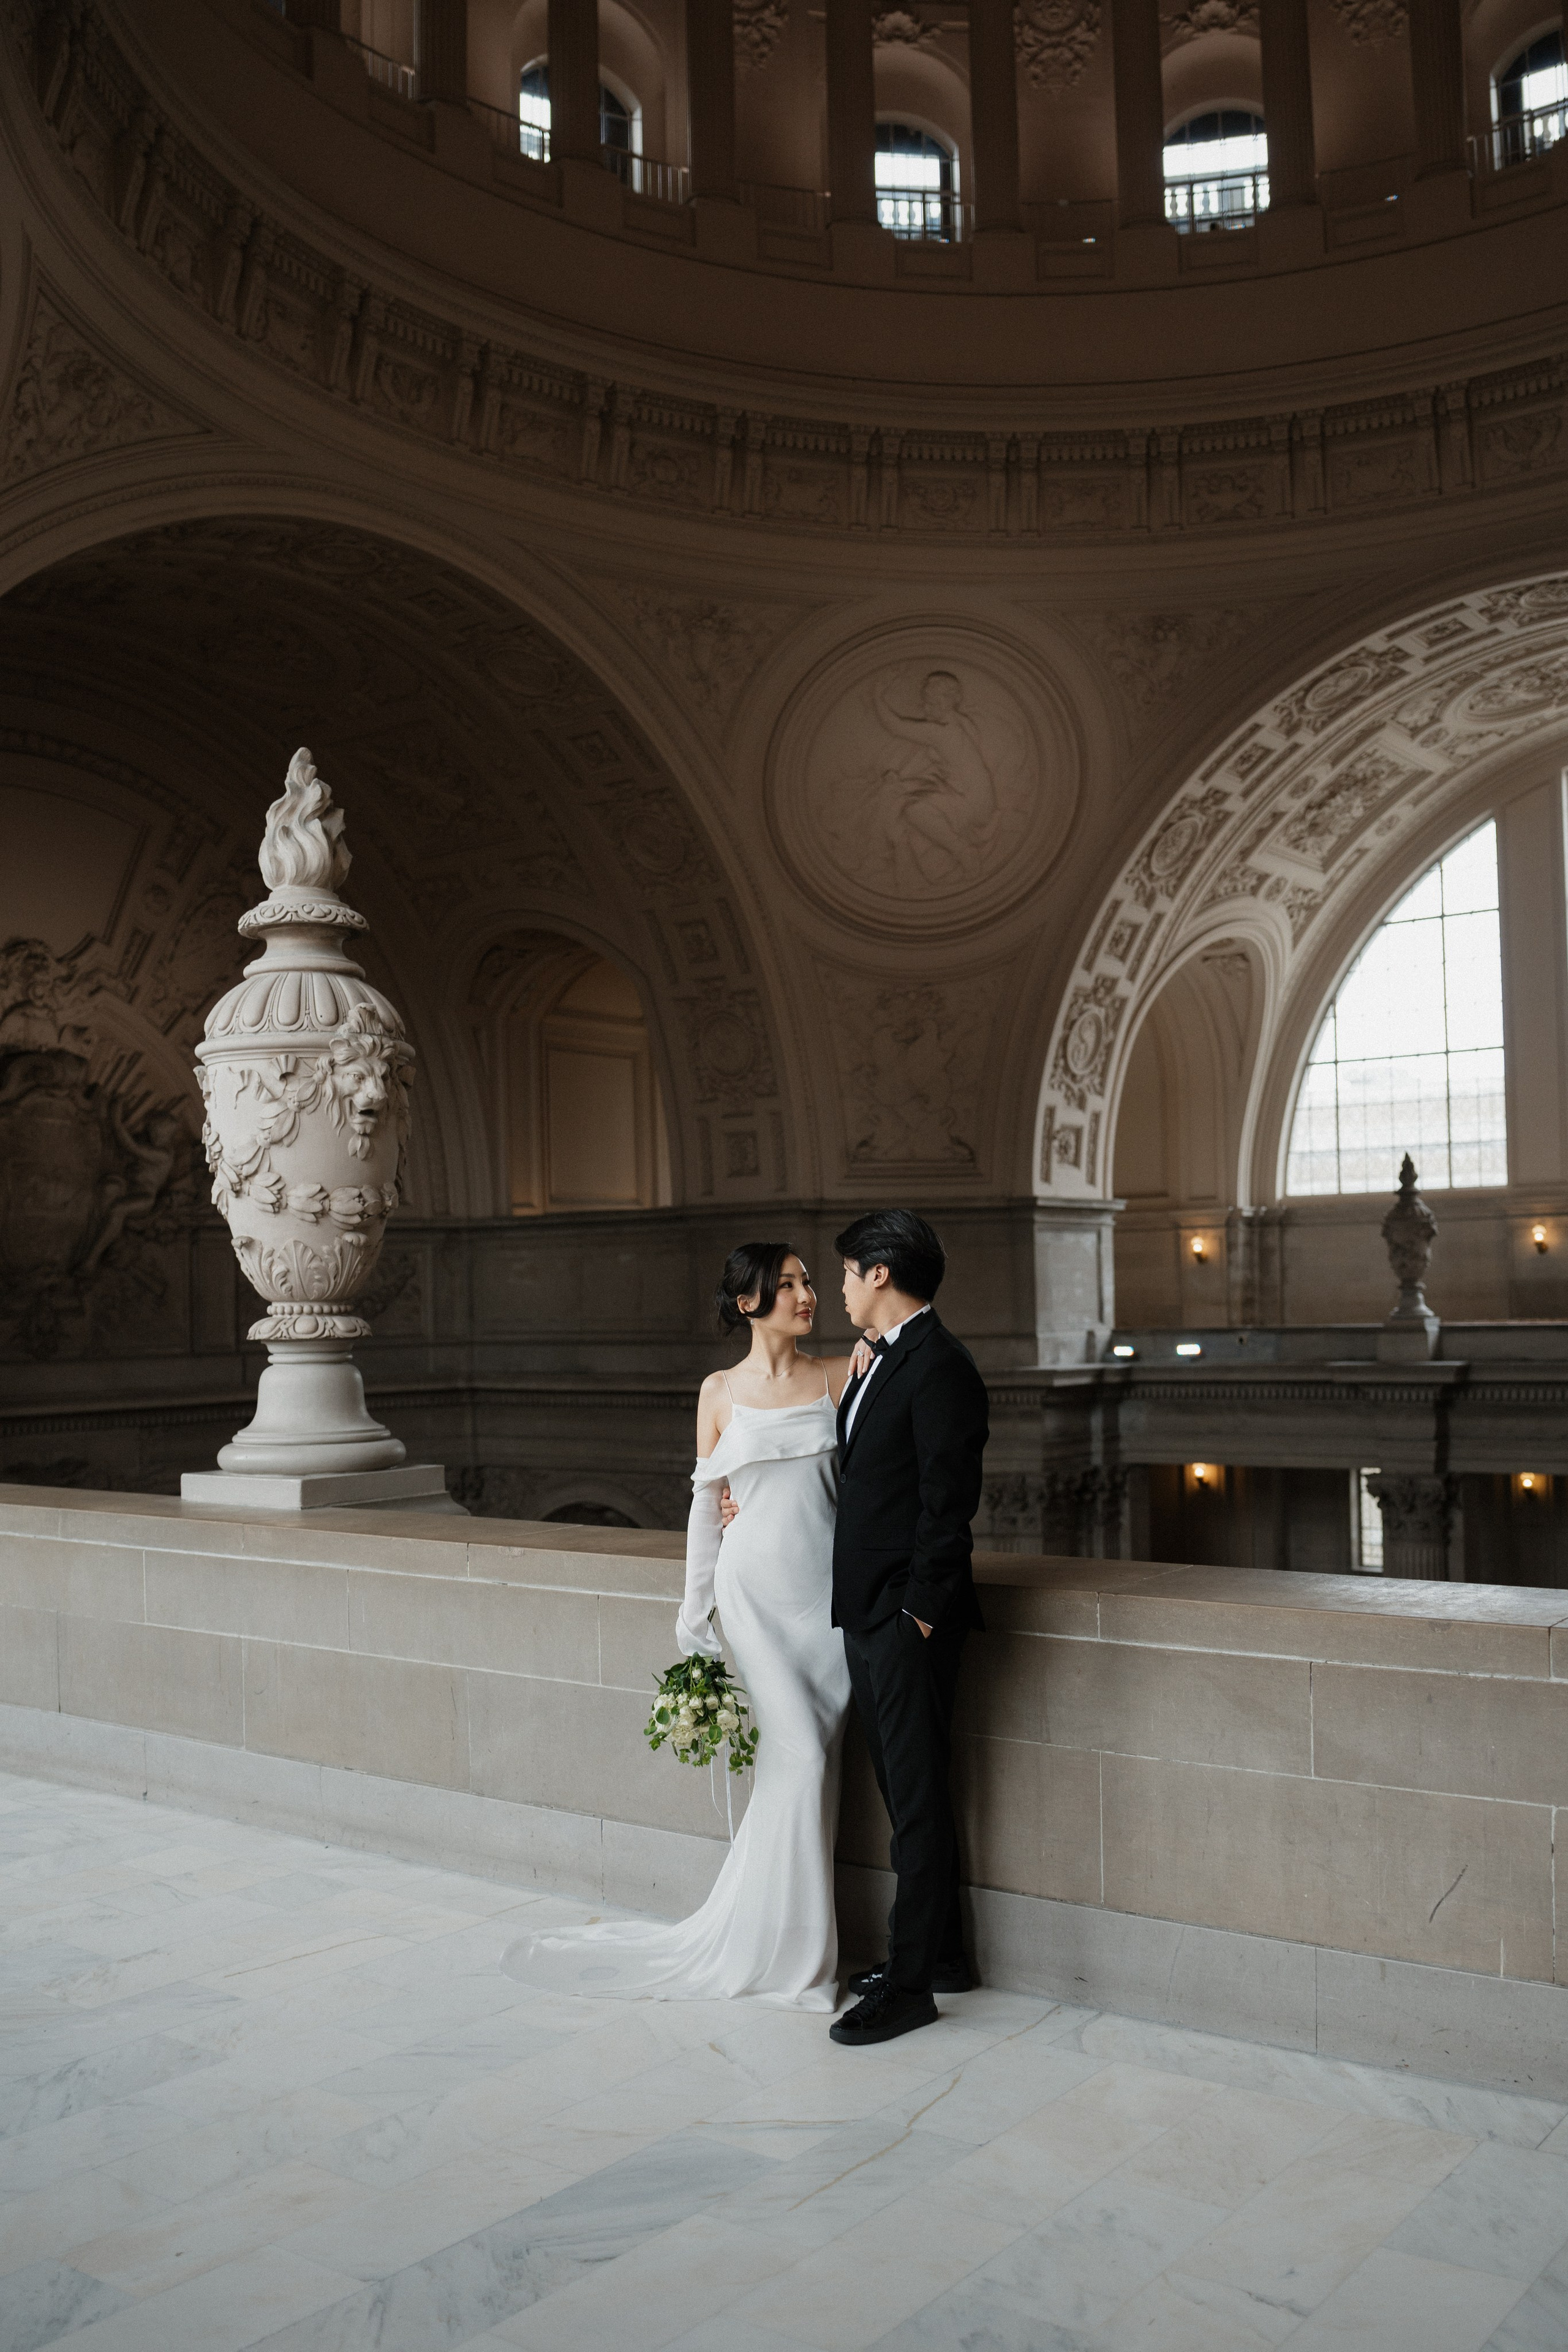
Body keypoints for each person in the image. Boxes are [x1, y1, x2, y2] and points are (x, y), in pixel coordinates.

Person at [501, 1243, 860, 2008]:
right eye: (787, 1285)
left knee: (806, 1771)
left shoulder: (842, 1374)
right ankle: (801, 1964)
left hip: (827, 1603)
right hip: (754, 1598)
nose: (806, 1295)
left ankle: (775, 1938)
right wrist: (693, 1616)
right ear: (747, 1303)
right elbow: (706, 1504)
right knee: (799, 1758)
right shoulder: (718, 1391)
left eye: (807, 1282)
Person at [826, 1207, 990, 2049]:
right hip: (868, 1610)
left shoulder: (941, 1366)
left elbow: (946, 1506)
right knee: (903, 1792)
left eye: (848, 1273)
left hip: (903, 1619)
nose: (840, 1288)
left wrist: (916, 1615)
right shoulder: (880, 1359)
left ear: (880, 1273)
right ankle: (945, 1956)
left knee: (917, 1801)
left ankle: (912, 1984)